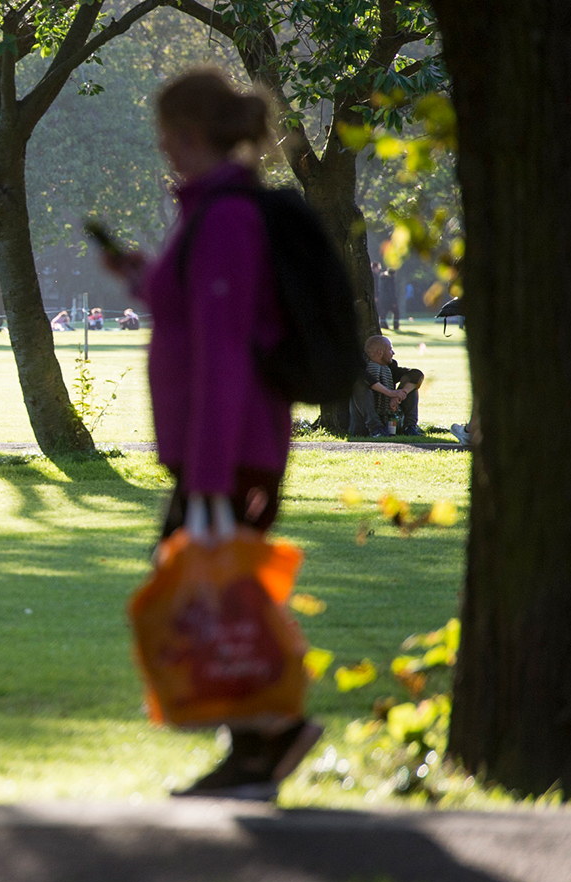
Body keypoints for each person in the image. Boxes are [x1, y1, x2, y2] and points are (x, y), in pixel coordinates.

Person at [98, 67, 322, 801]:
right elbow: (193, 310)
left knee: (220, 596)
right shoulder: (207, 211)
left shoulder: (226, 216)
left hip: (231, 451)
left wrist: (210, 473)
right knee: (216, 594)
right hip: (217, 450)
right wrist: (139, 275)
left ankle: (271, 738)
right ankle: (253, 747)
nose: (161, 145)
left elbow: (226, 350)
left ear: (190, 133)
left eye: (166, 132)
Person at [353, 335, 422, 437]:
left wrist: (401, 394)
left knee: (411, 386)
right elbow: (364, 378)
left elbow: (417, 375)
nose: (393, 353)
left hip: (390, 419)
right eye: (390, 349)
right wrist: (390, 393)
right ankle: (376, 429)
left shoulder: (390, 368)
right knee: (359, 387)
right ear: (380, 352)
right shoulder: (360, 368)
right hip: (363, 427)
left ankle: (409, 428)